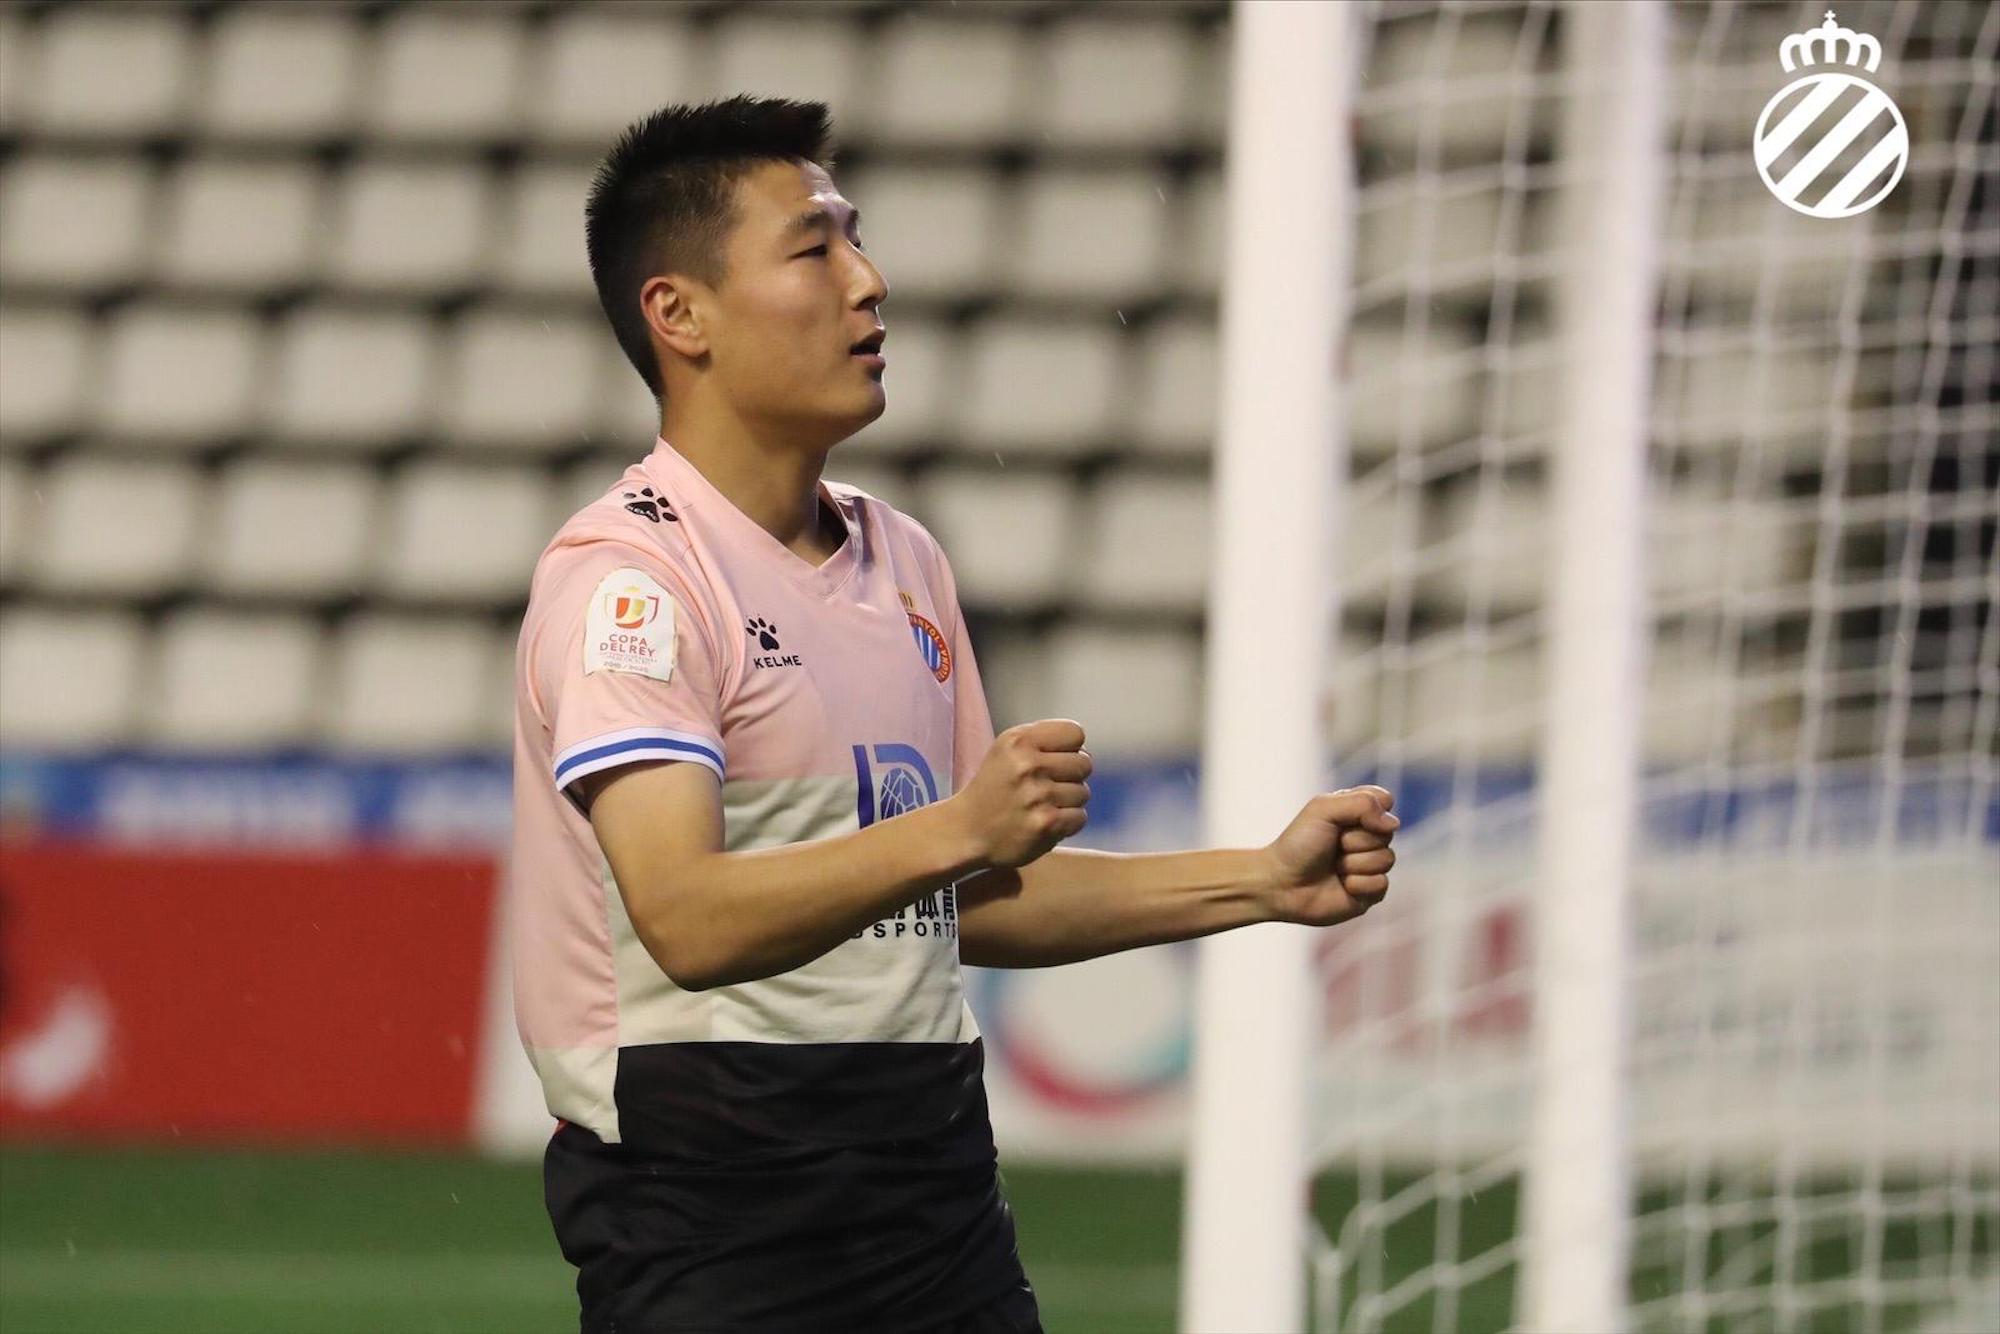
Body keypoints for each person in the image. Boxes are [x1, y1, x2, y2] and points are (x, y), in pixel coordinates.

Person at [509, 95, 1399, 1334]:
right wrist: (959, 828)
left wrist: (1257, 880)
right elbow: (687, 918)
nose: (868, 282)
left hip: (933, 1204)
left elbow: (960, 899)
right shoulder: (634, 583)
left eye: (856, 239)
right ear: (679, 313)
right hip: (715, 1216)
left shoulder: (903, 560)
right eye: (813, 248)